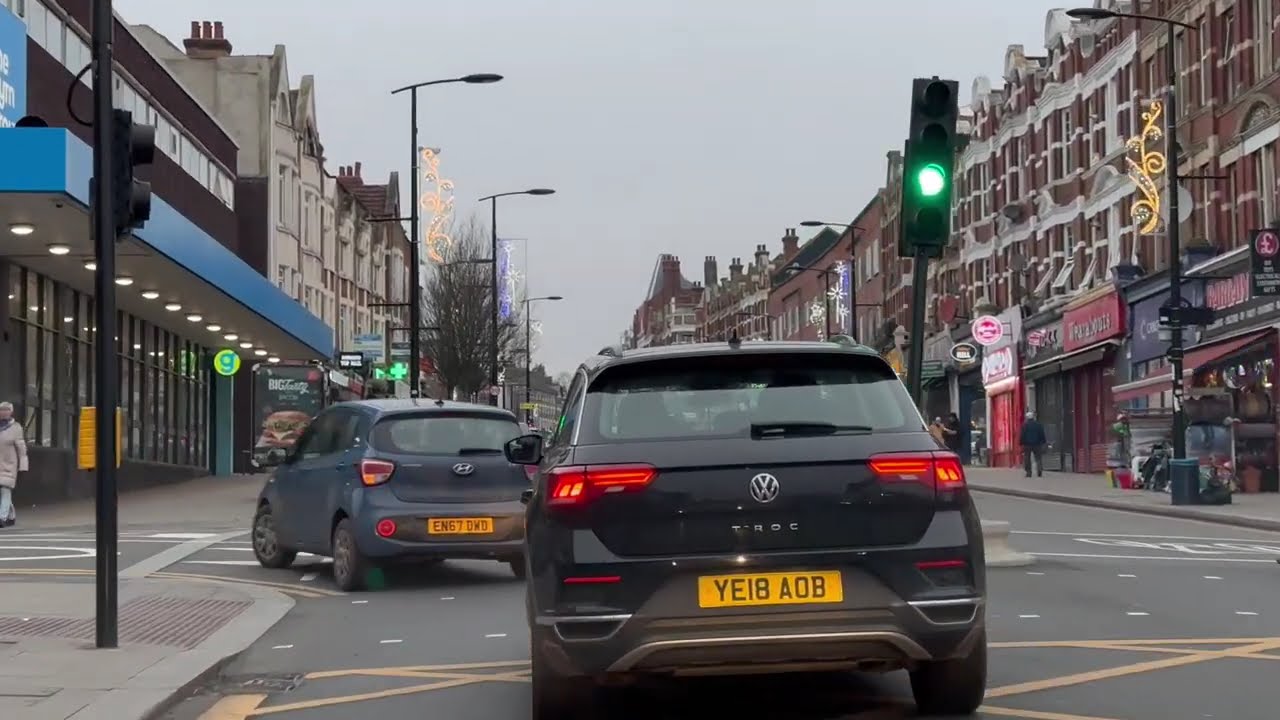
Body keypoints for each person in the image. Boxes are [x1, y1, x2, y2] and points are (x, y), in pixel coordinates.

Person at [0, 402, 28, 527]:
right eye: (2, 410)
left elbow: (21, 449)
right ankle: (11, 516)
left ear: (11, 412)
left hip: (9, 465)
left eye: (6, 410)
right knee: (2, 491)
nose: (4, 412)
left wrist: (23, 467)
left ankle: (2, 517)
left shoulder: (16, 428)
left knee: (5, 490)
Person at [1020, 411, 1046, 478]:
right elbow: (1042, 434)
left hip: (1027, 444)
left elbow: (1022, 435)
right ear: (1033, 417)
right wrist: (1043, 442)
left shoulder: (1025, 425)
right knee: (1038, 458)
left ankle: (1029, 472)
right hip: (1037, 444)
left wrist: (1021, 443)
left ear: (1027, 418)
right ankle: (1039, 470)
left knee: (1027, 458)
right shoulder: (1038, 425)